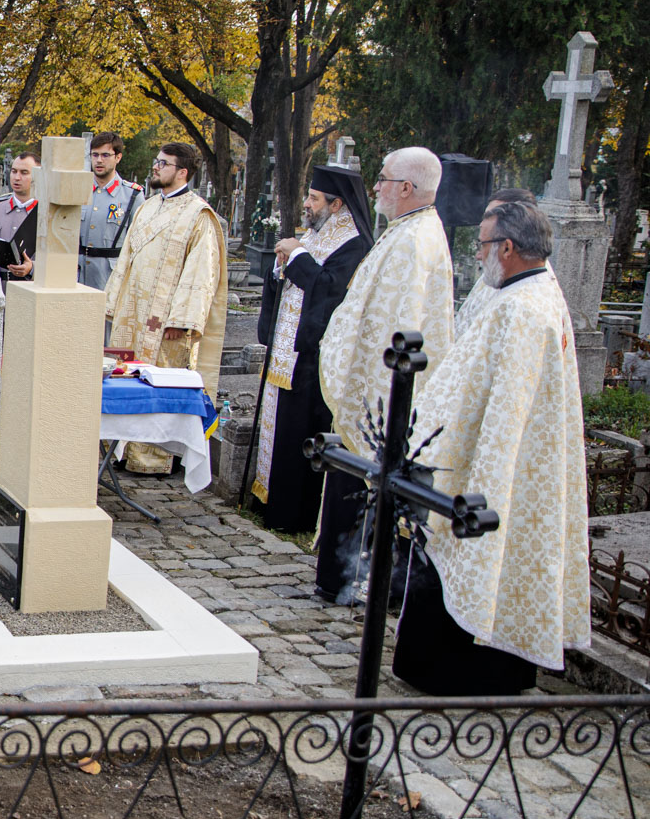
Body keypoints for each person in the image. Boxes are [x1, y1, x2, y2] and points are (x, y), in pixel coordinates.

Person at [392, 194, 588, 695]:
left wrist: (444, 449)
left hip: (491, 465)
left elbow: (503, 410)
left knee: (476, 560)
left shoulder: (523, 309)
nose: (476, 256)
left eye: (481, 247)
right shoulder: (532, 292)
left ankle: (456, 673)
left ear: (506, 248)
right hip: (492, 457)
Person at [315, 145, 453, 603]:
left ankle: (355, 581)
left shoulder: (414, 240)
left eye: (383, 178)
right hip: (370, 388)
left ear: (407, 188)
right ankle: (337, 578)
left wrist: (370, 389)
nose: (375, 186)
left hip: (379, 392)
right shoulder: (407, 231)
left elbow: (400, 322)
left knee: (362, 482)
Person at [246, 165, 373, 534]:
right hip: (286, 356)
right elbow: (296, 280)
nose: (306, 204)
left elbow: (331, 292)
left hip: (312, 359)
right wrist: (280, 265)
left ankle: (291, 515)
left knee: (296, 434)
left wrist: (298, 256)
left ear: (336, 205)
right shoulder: (317, 234)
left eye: (313, 199)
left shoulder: (354, 244)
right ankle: (266, 500)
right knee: (278, 429)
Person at [102, 141, 227, 474]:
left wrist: (183, 319)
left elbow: (202, 271)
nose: (156, 167)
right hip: (133, 311)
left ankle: (153, 458)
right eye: (157, 161)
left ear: (182, 172)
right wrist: (112, 300)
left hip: (165, 320)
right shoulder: (147, 206)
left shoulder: (198, 215)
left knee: (157, 383)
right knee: (125, 376)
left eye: (163, 163)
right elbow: (127, 255)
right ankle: (119, 450)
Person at [80, 132, 143, 289]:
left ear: (118, 157)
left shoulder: (132, 195)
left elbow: (139, 242)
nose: (99, 160)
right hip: (77, 277)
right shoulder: (79, 189)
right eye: (95, 155)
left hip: (109, 279)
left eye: (106, 155)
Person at [0, 151, 39, 285]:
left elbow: (57, 262)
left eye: (24, 173)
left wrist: (32, 268)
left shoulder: (45, 215)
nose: (17, 177)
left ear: (38, 176)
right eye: (14, 171)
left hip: (29, 291)